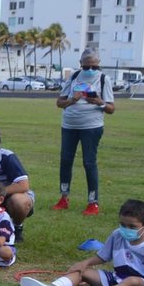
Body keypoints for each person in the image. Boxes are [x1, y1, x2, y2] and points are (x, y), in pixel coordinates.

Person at [20, 199, 144, 286]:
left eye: (132, 226)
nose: (126, 229)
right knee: (83, 271)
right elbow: (103, 256)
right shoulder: (117, 234)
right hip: (117, 278)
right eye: (123, 225)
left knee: (132, 281)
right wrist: (84, 263)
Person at [52, 48, 115, 215]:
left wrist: (99, 102)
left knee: (89, 162)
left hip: (91, 127)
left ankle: (93, 202)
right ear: (80, 64)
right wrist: (72, 100)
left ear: (98, 64)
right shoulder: (73, 77)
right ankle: (64, 198)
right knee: (66, 161)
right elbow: (59, 103)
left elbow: (111, 109)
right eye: (86, 67)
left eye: (94, 67)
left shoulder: (104, 79)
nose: (90, 70)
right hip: (69, 126)